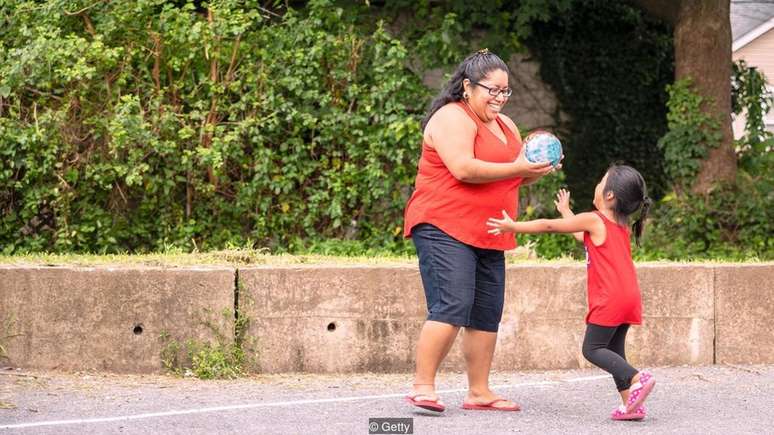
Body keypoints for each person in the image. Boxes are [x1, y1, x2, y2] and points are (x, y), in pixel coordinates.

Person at [403, 49, 557, 413]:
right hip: (444, 225)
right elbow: (463, 168)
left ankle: (479, 391)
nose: (500, 99)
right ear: (468, 87)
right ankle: (422, 386)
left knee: (487, 312)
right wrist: (519, 166)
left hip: (490, 228)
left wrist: (534, 167)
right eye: (493, 90)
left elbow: (515, 168)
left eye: (506, 92)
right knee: (452, 304)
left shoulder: (507, 127)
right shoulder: (451, 118)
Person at [486, 164, 656, 421]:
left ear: (609, 195)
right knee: (614, 351)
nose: (597, 185)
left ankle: (637, 378)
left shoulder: (595, 219)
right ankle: (631, 405)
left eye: (601, 181)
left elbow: (548, 227)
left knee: (593, 349)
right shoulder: (618, 225)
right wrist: (566, 210)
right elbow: (580, 235)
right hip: (629, 297)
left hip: (609, 298)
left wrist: (514, 227)